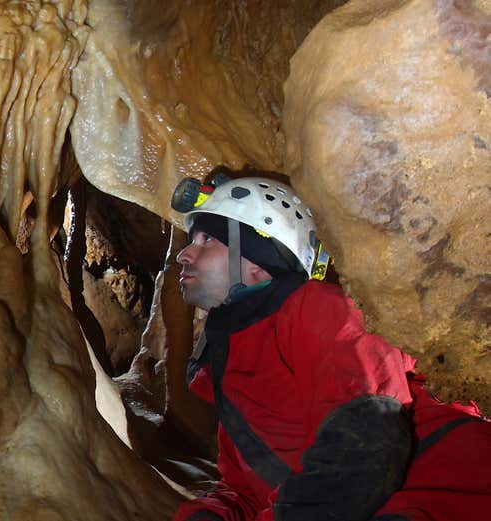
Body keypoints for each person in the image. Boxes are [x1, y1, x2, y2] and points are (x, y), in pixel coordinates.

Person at [169, 169, 491, 521]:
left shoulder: (316, 307)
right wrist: (210, 514)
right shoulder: (231, 368)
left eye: (207, 241)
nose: (185, 254)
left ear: (259, 264)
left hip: (445, 486)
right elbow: (247, 489)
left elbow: (368, 439)